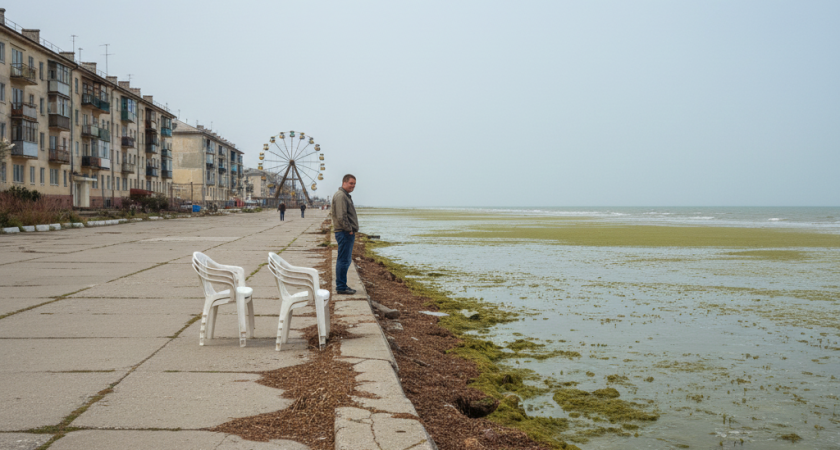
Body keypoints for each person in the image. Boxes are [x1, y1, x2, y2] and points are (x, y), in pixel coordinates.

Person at [332, 174, 358, 295]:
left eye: (354, 184)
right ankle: (341, 286)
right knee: (343, 260)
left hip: (345, 232)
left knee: (345, 260)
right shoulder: (341, 196)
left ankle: (342, 285)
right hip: (344, 232)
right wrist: (349, 229)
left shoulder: (344, 195)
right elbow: (341, 216)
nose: (353, 186)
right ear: (344, 183)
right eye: (351, 183)